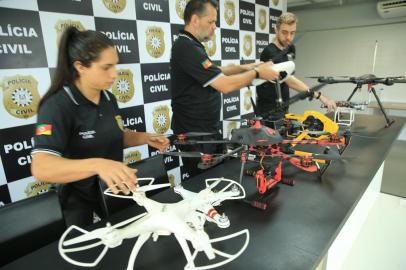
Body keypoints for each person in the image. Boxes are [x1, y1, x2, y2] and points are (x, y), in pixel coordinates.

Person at [30, 27, 169, 227]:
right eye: (106, 67)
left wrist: (145, 138)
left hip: (112, 189)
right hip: (76, 200)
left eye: (115, 66)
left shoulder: (108, 98)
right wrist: (98, 164)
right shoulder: (56, 106)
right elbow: (41, 167)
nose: (114, 74)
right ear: (81, 67)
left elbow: (114, 135)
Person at [170, 0, 279, 174]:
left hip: (207, 132)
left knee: (219, 178)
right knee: (205, 185)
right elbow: (225, 85)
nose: (215, 27)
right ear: (195, 20)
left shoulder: (192, 45)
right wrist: (257, 74)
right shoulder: (186, 47)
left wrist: (248, 67)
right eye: (211, 22)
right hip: (196, 137)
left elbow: (216, 71)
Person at [257, 12, 337, 120]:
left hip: (281, 108)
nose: (288, 37)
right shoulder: (270, 53)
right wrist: (321, 97)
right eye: (284, 32)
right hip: (270, 112)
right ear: (276, 30)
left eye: (292, 33)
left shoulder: (285, 50)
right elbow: (290, 81)